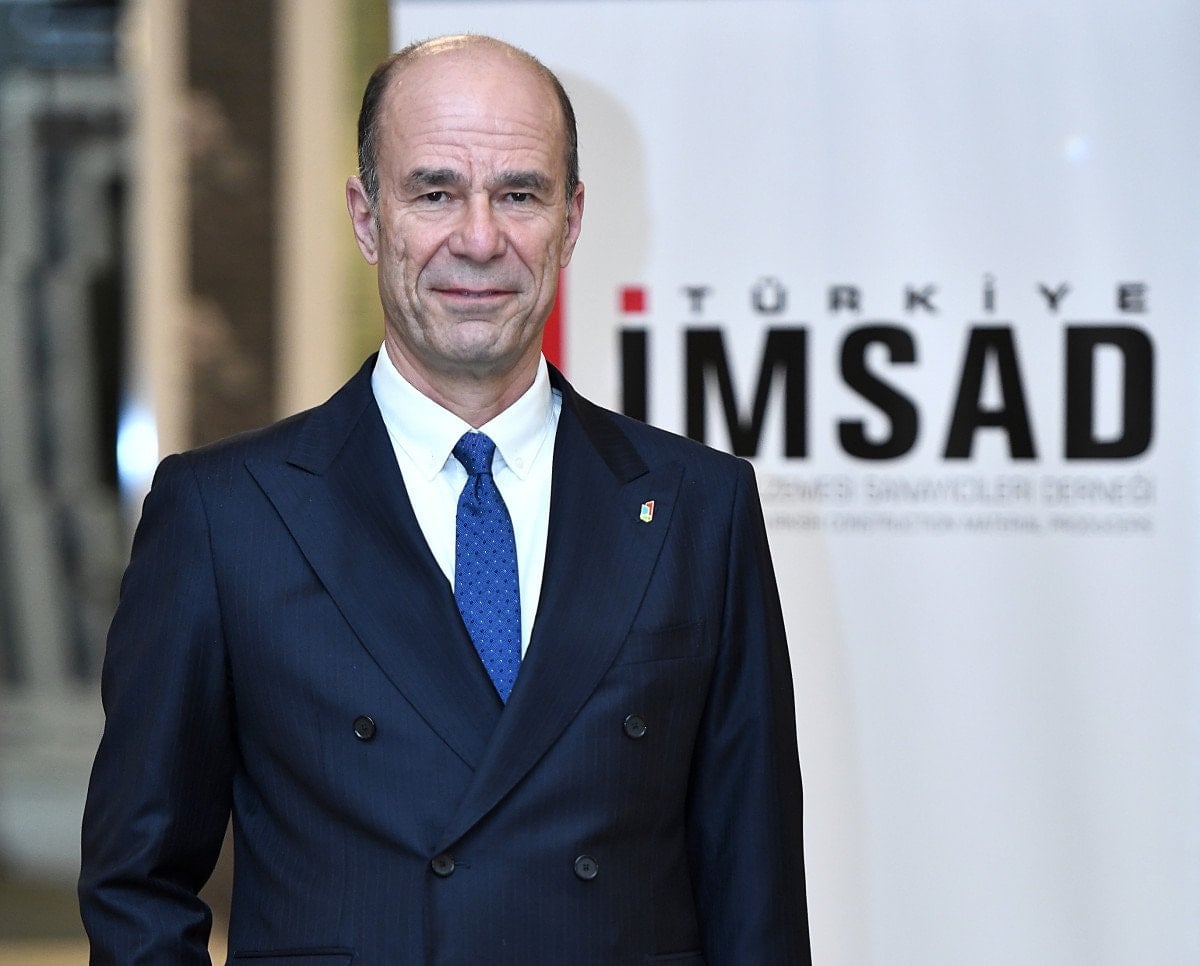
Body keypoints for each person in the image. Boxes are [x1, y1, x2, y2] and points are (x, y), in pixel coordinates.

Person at [78, 34, 811, 965]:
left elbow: (756, 898)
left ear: (572, 221)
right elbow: (136, 885)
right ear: (367, 218)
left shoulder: (699, 509)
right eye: (434, 193)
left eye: (520, 194)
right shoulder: (225, 516)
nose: (479, 239)